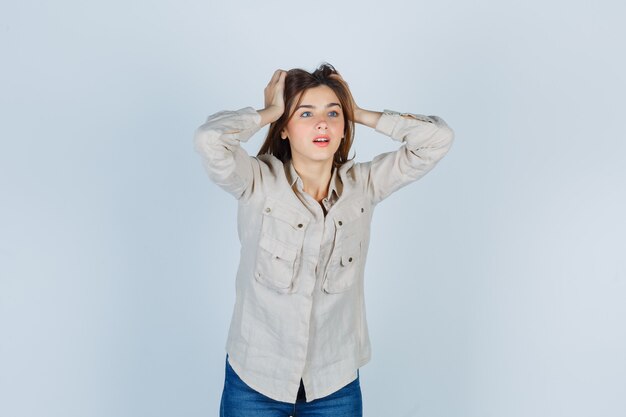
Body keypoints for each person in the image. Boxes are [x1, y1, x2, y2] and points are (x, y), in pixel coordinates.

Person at [194, 63, 454, 417]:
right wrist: (270, 110)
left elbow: (437, 139)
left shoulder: (364, 186)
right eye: (305, 113)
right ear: (284, 128)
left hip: (334, 383)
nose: (323, 123)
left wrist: (358, 112)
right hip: (255, 378)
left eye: (333, 113)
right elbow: (210, 139)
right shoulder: (256, 182)